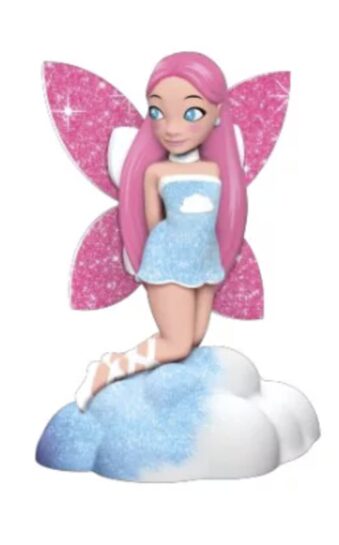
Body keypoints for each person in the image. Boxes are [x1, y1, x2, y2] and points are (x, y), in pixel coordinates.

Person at [75, 51, 247, 411]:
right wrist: (171, 248)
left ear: (217, 113)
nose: (171, 127)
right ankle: (109, 368)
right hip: (168, 257)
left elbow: (217, 217)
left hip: (205, 259)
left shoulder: (217, 170)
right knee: (176, 342)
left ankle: (169, 398)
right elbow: (153, 221)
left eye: (191, 113)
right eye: (157, 112)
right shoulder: (157, 172)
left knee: (193, 338)